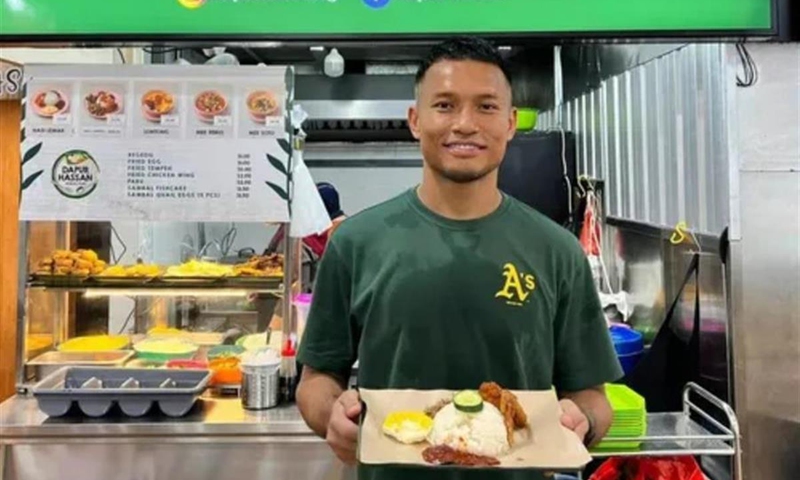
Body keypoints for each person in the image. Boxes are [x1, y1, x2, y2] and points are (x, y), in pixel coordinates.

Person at [296, 37, 622, 480]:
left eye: (486, 107)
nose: (465, 123)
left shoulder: (557, 250)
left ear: (510, 123)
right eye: (445, 105)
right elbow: (317, 379)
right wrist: (331, 414)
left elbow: (592, 397)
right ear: (415, 120)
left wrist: (582, 423)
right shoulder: (355, 241)